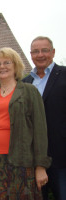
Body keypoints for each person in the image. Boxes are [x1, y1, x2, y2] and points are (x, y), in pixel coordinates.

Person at [0, 47, 51, 199]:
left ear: (15, 66)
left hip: (20, 160)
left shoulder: (29, 91)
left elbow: (40, 130)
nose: (2, 67)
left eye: (7, 62)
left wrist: (41, 166)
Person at [23, 36, 66, 200]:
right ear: (31, 54)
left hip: (62, 158)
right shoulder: (25, 83)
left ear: (53, 52)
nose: (40, 55)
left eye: (44, 50)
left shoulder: (64, 75)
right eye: (36, 51)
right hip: (33, 159)